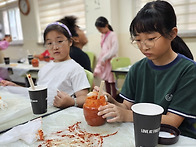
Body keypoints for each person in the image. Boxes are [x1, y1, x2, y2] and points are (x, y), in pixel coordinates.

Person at [96, 0, 196, 139]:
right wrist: (111, 101)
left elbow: (173, 121)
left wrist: (127, 115)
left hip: (176, 138)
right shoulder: (137, 69)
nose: (144, 46)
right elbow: (127, 107)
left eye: (151, 38)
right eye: (138, 40)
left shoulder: (189, 70)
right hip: (141, 134)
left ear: (172, 34)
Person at [0, 22, 90, 108]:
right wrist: (16, 88)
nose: (55, 47)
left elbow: (84, 98)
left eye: (59, 41)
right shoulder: (45, 68)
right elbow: (37, 93)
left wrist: (71, 102)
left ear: (70, 42)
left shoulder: (75, 69)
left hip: (60, 114)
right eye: (49, 43)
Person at [94, 16, 118, 99]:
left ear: (106, 25)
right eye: (99, 30)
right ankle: (107, 98)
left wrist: (105, 57)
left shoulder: (112, 35)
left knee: (112, 81)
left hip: (110, 60)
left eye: (101, 29)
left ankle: (114, 99)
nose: (100, 31)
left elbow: (114, 49)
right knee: (106, 80)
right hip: (104, 61)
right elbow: (103, 48)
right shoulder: (103, 35)